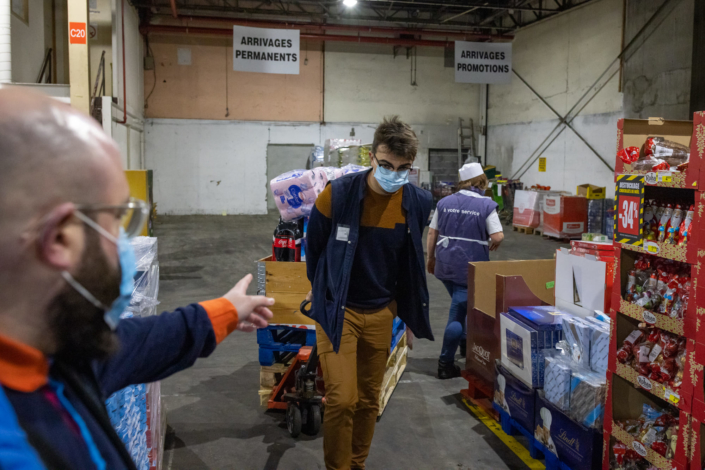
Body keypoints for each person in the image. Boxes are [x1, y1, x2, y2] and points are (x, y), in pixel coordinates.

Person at [0, 89, 275, 469]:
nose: (127, 244)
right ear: (61, 238)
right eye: (118, 221)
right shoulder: (21, 450)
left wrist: (227, 311)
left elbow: (135, 344)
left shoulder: (47, 350)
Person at [305, 116, 434, 470]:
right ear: (372, 159)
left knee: (367, 401)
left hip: (381, 313)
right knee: (342, 399)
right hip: (338, 310)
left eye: (403, 167)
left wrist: (406, 314)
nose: (394, 173)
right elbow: (314, 247)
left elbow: (408, 262)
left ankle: (356, 464)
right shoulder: (340, 194)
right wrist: (320, 292)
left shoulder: (418, 202)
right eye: (387, 165)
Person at [426, 162, 504, 380]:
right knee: (458, 313)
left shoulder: (444, 202)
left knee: (462, 303)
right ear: (481, 181)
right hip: (469, 267)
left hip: (445, 263)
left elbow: (432, 233)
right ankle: (445, 363)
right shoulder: (486, 205)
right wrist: (489, 240)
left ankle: (464, 343)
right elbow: (497, 236)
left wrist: (430, 258)